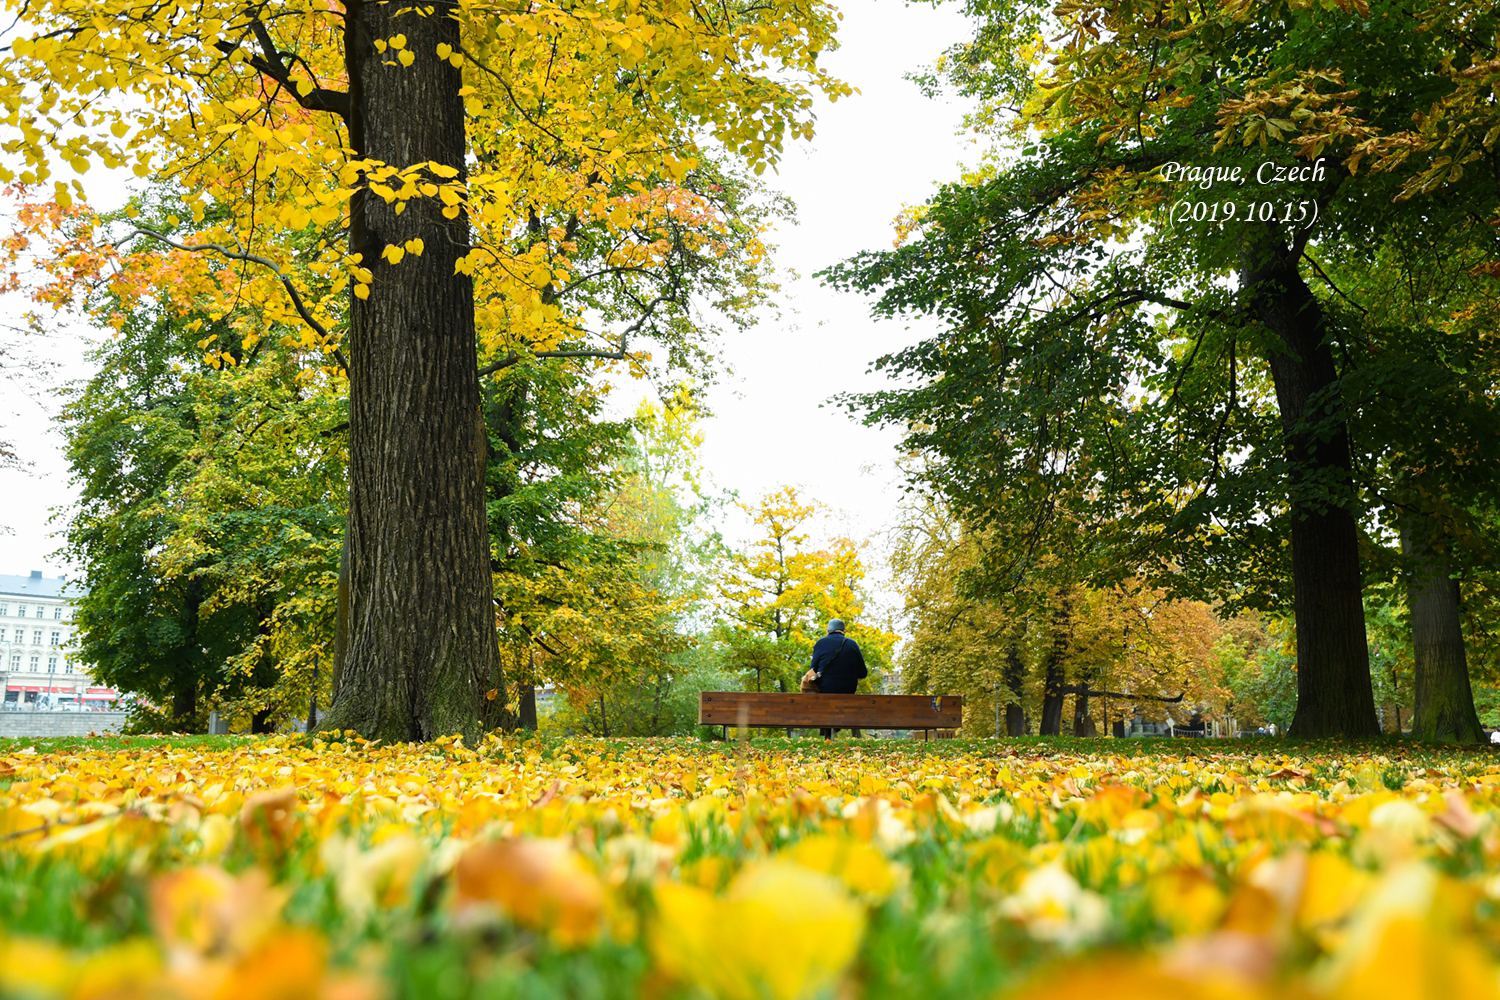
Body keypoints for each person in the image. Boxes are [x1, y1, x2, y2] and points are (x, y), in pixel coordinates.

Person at [808, 619, 867, 738]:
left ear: (828, 631)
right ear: (843, 631)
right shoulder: (852, 644)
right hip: (847, 693)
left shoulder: (820, 643)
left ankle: (827, 733)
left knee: (824, 691)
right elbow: (863, 673)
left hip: (825, 692)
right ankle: (836, 726)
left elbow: (812, 669)